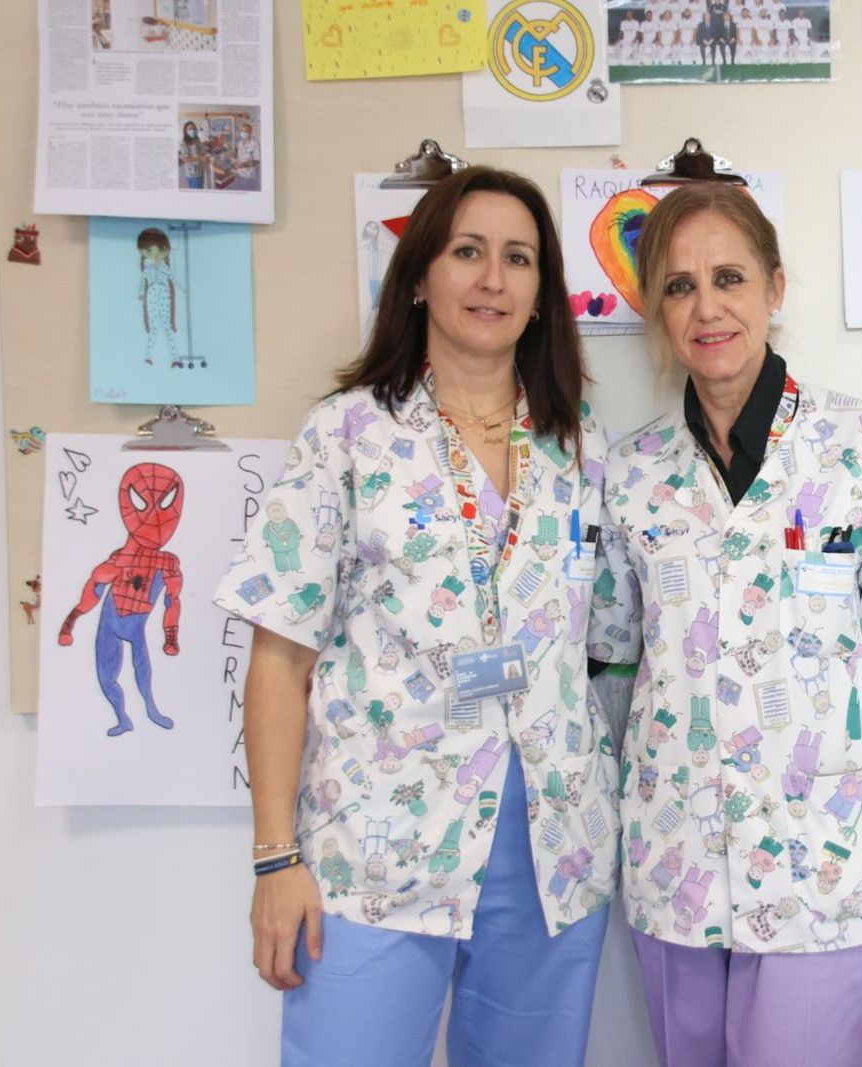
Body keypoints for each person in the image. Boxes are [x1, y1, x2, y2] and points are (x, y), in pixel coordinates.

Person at [214, 166, 618, 1067]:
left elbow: (598, 645)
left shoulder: (576, 445)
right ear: (420, 277)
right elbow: (280, 657)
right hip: (377, 849)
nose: (493, 279)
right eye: (468, 251)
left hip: (552, 850)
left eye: (518, 259)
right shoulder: (347, 434)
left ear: (542, 294)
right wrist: (275, 859)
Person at [589, 182, 862, 1067]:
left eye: (729, 277)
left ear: (775, 288)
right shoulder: (632, 474)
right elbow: (611, 666)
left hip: (820, 861)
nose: (707, 307)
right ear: (656, 310)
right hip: (674, 856)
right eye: (679, 286)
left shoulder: (859, 448)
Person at [135, 227, 177, 366]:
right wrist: (141, 293)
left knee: (166, 326)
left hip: (164, 293)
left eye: (160, 250)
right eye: (148, 251)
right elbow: (143, 282)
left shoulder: (165, 268)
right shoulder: (147, 269)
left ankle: (175, 359)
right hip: (152, 294)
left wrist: (183, 289)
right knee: (154, 327)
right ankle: (148, 357)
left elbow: (173, 280)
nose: (154, 254)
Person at [178, 121, 207, 189]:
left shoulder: (197, 140)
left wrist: (205, 154)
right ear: (185, 131)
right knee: (195, 189)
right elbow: (185, 159)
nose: (192, 130)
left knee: (200, 187)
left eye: (194, 128)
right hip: (192, 173)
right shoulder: (183, 142)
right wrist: (200, 158)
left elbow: (201, 151)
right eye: (190, 129)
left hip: (200, 170)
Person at [234, 121, 261, 192]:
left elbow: (257, 161)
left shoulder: (255, 144)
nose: (243, 133)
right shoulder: (240, 143)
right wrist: (234, 158)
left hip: (249, 175)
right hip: (239, 173)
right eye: (241, 131)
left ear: (250, 132)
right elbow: (239, 157)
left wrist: (243, 165)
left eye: (245, 131)